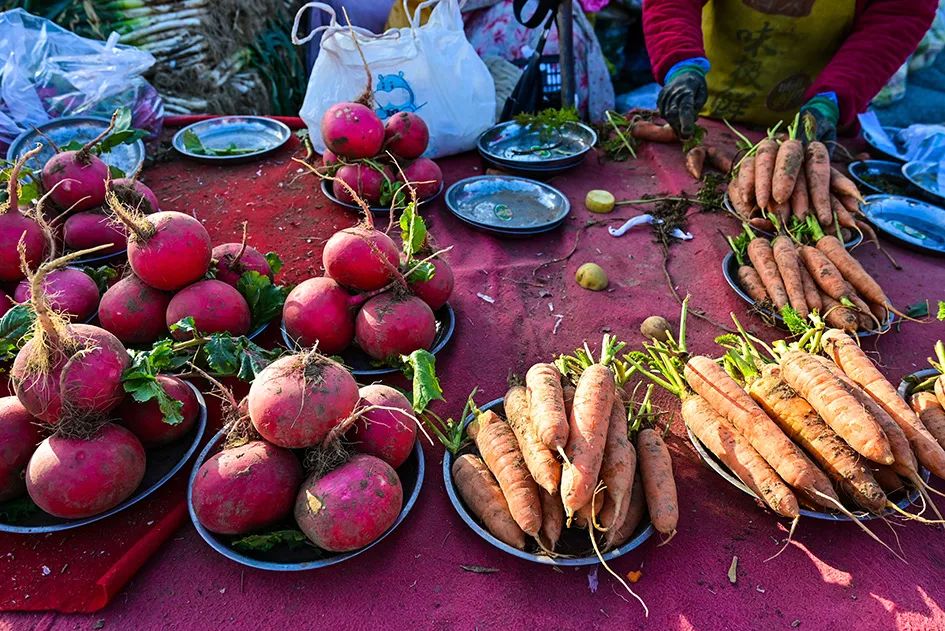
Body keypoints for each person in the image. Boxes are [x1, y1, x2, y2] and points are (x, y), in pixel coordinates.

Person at [641, 0, 939, 142]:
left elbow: (897, 19)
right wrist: (680, 62)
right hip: (704, 118)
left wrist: (835, 99)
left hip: (813, 132)